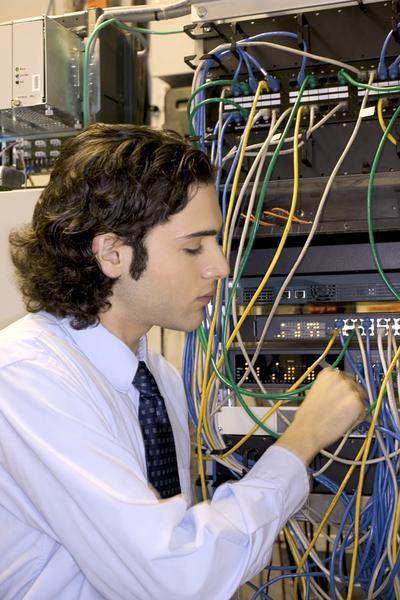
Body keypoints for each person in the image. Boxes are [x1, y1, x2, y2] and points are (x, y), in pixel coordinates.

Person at [0, 123, 365, 600]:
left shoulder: (156, 378)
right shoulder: (29, 379)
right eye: (194, 247)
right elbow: (176, 575)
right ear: (112, 254)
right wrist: (303, 440)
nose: (221, 266)